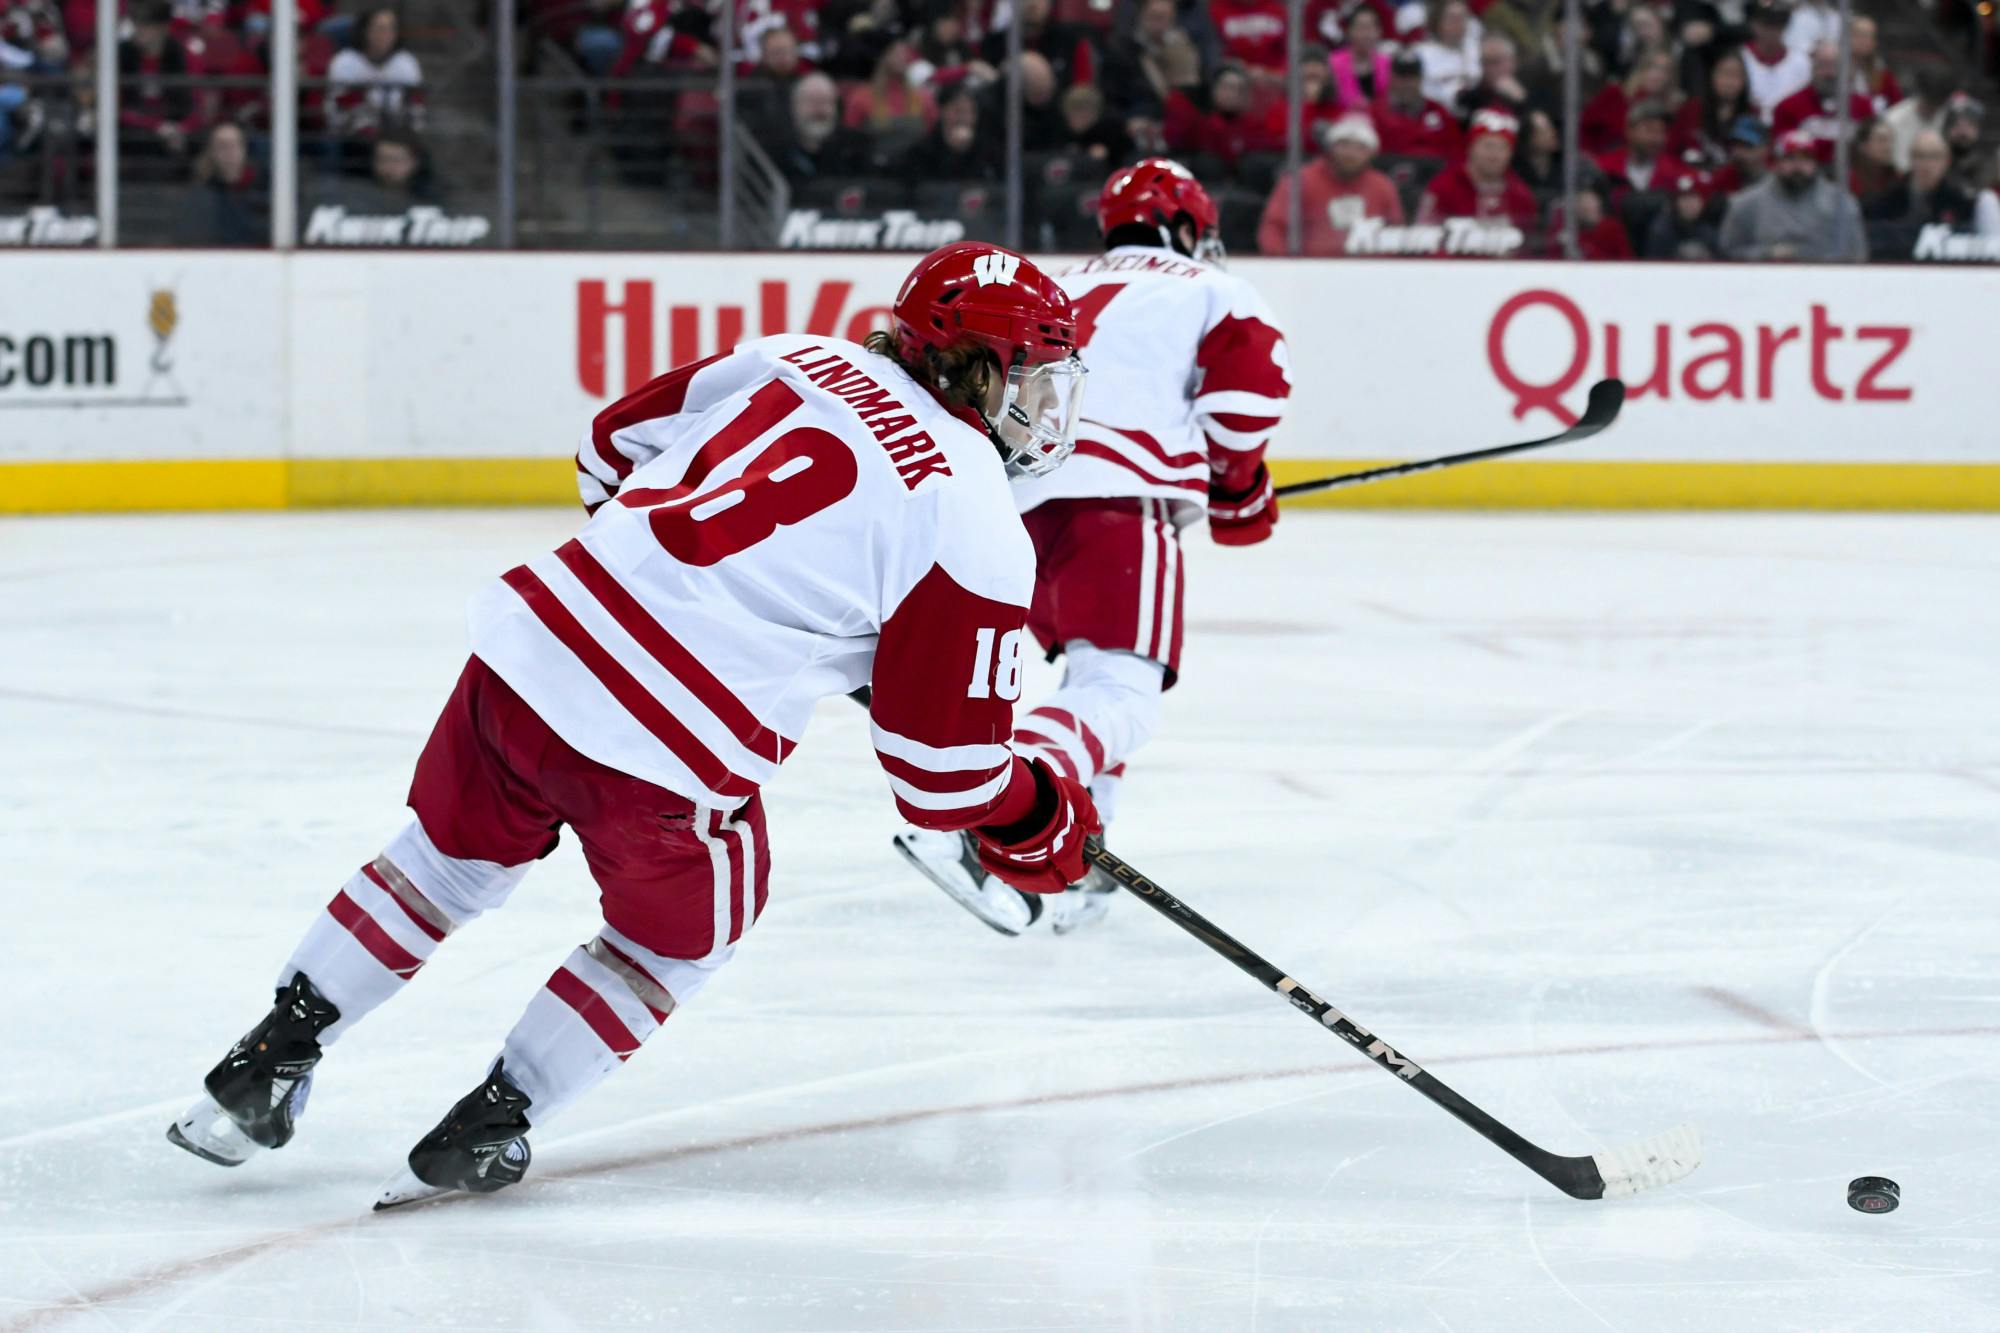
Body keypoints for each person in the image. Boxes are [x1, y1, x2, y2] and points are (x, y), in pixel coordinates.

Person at [167, 242, 1099, 1203]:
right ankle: (496, 1118)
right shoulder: (976, 507)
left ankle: (270, 1055)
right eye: (1033, 374)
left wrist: (683, 589)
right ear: (982, 369)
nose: (1044, 403)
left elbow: (611, 445)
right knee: (681, 939)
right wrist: (1038, 815)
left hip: (531, 648)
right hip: (667, 751)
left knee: (442, 862)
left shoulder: (798, 356)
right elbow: (942, 774)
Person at [897, 160, 1290, 937]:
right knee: (1121, 693)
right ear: (1185, 225)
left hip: (1012, 504)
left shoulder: (1061, 281)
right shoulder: (1211, 287)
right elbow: (1244, 402)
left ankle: (1079, 857)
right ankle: (972, 815)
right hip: (1114, 505)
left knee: (1091, 677)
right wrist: (1239, 490)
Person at [1257, 113, 1404, 255]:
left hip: (1370, 271)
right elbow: (1273, 228)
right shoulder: (1301, 181)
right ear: (1330, 147)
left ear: (1372, 153)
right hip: (1309, 269)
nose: (1350, 154)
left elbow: (1394, 233)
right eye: (1344, 145)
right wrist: (1285, 266)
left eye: (1360, 148)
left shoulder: (1382, 186)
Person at [1719, 127, 1864, 261]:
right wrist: (1766, 253)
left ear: (1815, 163)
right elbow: (1727, 252)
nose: (1798, 166)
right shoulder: (1747, 203)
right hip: (1765, 281)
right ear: (1777, 162)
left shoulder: (1841, 203)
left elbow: (1856, 253)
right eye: (1790, 158)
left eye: (1806, 159)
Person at [1417, 107, 1538, 236]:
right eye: (1488, 146)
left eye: (1502, 148)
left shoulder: (1521, 196)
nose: (1493, 155)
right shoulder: (1442, 188)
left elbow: (1529, 247)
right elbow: (1424, 237)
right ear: (1471, 147)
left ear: (1511, 154)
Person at [1862, 128, 1977, 260]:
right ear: (1911, 159)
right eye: (1920, 156)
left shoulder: (1960, 201)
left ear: (1946, 161)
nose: (1926, 164)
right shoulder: (1888, 197)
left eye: (1934, 157)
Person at [326, 7, 426, 141]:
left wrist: (405, 133)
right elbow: (343, 111)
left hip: (397, 137)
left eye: (391, 29)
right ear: (365, 31)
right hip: (351, 138)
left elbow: (415, 108)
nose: (385, 35)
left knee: (421, 157)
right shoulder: (345, 61)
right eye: (380, 29)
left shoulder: (406, 62)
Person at [1769, 41, 1873, 162]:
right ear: (1812, 68)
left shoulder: (1864, 107)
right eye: (1823, 66)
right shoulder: (1788, 107)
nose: (1830, 73)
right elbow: (1780, 156)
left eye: (1836, 66)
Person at [773, 71, 873, 181]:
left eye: (826, 101)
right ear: (793, 106)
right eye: (811, 101)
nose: (819, 109)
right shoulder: (774, 151)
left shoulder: (857, 147)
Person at [184, 120, 266, 245]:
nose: (230, 152)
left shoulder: (264, 187)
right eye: (223, 146)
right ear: (211, 151)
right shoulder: (201, 196)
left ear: (244, 149)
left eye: (235, 144)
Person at [896, 81, 999, 180]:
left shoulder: (988, 149)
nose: (965, 118)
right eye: (958, 111)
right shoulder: (922, 151)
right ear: (941, 111)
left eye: (971, 112)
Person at [1374, 48, 1462, 160]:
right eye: (1402, 77)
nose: (1407, 84)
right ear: (1391, 78)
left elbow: (1456, 153)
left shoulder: (1439, 112)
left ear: (1421, 79)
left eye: (1412, 77)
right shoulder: (1375, 113)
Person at [1674, 47, 1751, 166]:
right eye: (1725, 74)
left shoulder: (1751, 114)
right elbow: (1671, 152)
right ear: (1712, 76)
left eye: (1736, 75)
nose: (1729, 82)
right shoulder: (1692, 109)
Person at [1742, 2, 1809, 119]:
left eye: (1779, 24)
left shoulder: (1801, 61)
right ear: (1754, 24)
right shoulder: (1740, 57)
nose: (1773, 31)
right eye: (1767, 24)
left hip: (1787, 128)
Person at [1881, 67, 1954, 173]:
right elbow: (1898, 166)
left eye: (1937, 105)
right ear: (1921, 95)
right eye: (1930, 103)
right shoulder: (1894, 119)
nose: (1933, 110)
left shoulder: (1945, 115)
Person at [1643, 171, 1722, 259]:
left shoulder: (1710, 232)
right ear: (1675, 203)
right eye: (1683, 197)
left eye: (1693, 197)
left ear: (1703, 202)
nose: (1688, 203)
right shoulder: (1661, 230)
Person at [1416, 0, 1481, 107]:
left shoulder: (1476, 50)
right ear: (1438, 21)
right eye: (1452, 18)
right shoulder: (1421, 53)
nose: (1458, 23)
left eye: (1462, 18)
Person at [1329, 5, 1389, 110]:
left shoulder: (1387, 64)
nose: (1366, 34)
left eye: (1370, 27)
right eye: (1361, 28)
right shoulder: (1333, 64)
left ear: (1379, 31)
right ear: (1349, 31)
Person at [1845, 16, 1900, 113]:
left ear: (1875, 42)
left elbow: (1897, 108)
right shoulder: (1834, 71)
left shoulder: (1884, 76)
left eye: (1868, 36)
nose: (1863, 41)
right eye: (1858, 35)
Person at [1847, 117, 1900, 199]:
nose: (1889, 147)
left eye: (1890, 140)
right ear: (1863, 146)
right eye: (1881, 140)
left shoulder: (1897, 178)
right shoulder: (1849, 180)